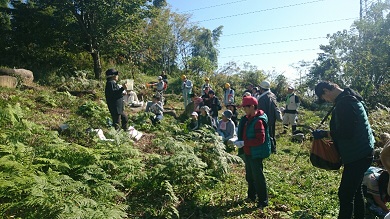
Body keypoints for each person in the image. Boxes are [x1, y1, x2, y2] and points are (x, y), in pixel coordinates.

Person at [313, 81, 375, 219]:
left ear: (326, 90)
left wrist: (325, 133)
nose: (326, 101)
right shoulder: (351, 95)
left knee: (345, 194)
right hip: (364, 150)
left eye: (324, 98)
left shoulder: (344, 103)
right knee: (356, 190)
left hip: (358, 154)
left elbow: (347, 132)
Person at [233, 96, 271, 209]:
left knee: (258, 177)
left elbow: (260, 140)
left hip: (256, 152)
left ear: (253, 106)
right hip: (248, 151)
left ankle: (263, 201)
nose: (244, 109)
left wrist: (244, 143)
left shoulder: (258, 121)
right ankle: (251, 196)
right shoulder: (248, 118)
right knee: (249, 175)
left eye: (246, 107)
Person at [257, 80, 279, 153]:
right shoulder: (272, 95)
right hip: (273, 118)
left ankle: (272, 149)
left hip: (266, 118)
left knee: (268, 134)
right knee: (272, 133)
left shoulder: (262, 98)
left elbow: (261, 110)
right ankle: (274, 148)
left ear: (262, 89)